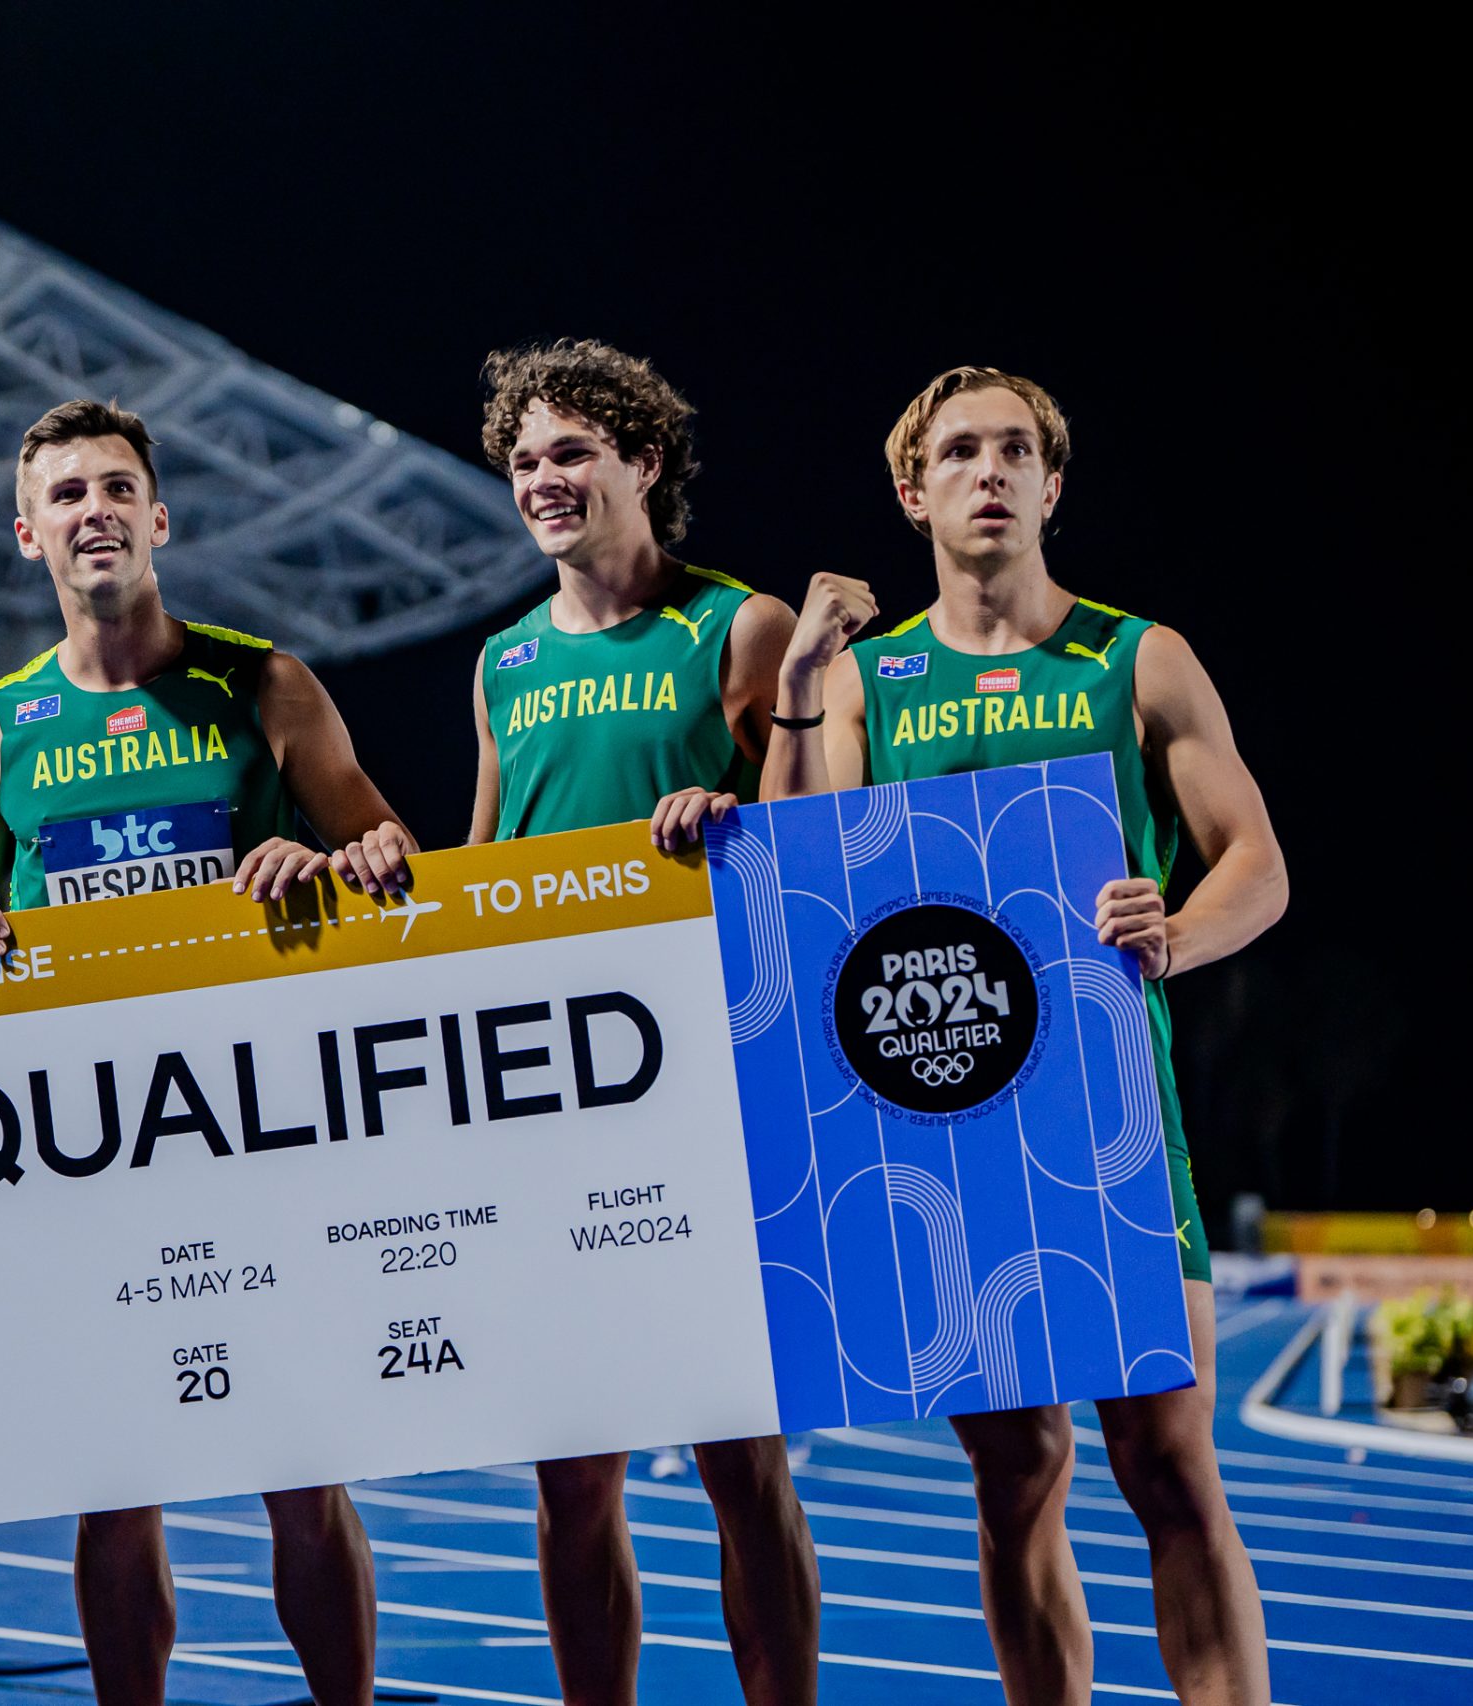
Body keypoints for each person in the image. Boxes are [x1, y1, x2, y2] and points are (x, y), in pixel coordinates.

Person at [762, 365, 1287, 1705]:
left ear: (1054, 485)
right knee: (1018, 1476)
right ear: (912, 488)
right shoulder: (873, 682)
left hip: (1109, 1122)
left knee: (1172, 1467)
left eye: (1013, 451)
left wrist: (1174, 924)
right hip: (951, 1133)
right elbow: (805, 868)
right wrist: (808, 672)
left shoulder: (1134, 657)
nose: (986, 472)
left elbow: (1257, 865)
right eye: (958, 453)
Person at [0, 399, 412, 1706]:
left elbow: (394, 861)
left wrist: (328, 853)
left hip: (254, 1129)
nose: (94, 510)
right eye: (66, 494)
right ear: (30, 534)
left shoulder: (264, 682)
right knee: (116, 1483)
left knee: (300, 1474)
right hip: (88, 1151)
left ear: (159, 516)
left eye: (116, 486)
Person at [467, 341, 817, 1705]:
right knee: (572, 1473)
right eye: (525, 461)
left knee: (742, 1462)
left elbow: (817, 836)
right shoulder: (503, 660)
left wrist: (739, 822)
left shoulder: (738, 626)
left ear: (643, 462)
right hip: (553, 1104)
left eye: (570, 452)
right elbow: (486, 871)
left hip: (710, 1094)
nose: (544, 480)